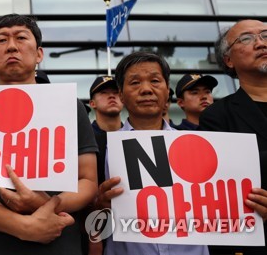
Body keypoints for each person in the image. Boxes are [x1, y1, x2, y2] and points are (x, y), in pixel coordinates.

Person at [0, 14, 98, 255]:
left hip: (58, 244)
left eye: (21, 38)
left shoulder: (69, 106)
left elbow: (89, 181)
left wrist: (47, 204)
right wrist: (24, 227)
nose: (11, 46)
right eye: (1, 41)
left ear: (39, 54)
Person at [97, 51, 208, 255]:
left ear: (167, 91)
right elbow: (92, 225)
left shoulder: (197, 146)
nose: (146, 89)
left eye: (155, 81)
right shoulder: (100, 148)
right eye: (135, 83)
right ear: (121, 94)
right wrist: (100, 205)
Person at [200, 19, 267, 255]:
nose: (261, 43)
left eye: (266, 35)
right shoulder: (216, 117)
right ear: (228, 60)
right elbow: (225, 185)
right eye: (247, 39)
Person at [85, 75, 123, 255]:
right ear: (92, 103)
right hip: (92, 229)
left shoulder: (136, 135)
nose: (112, 96)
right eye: (104, 93)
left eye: (116, 92)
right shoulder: (83, 139)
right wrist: (95, 237)